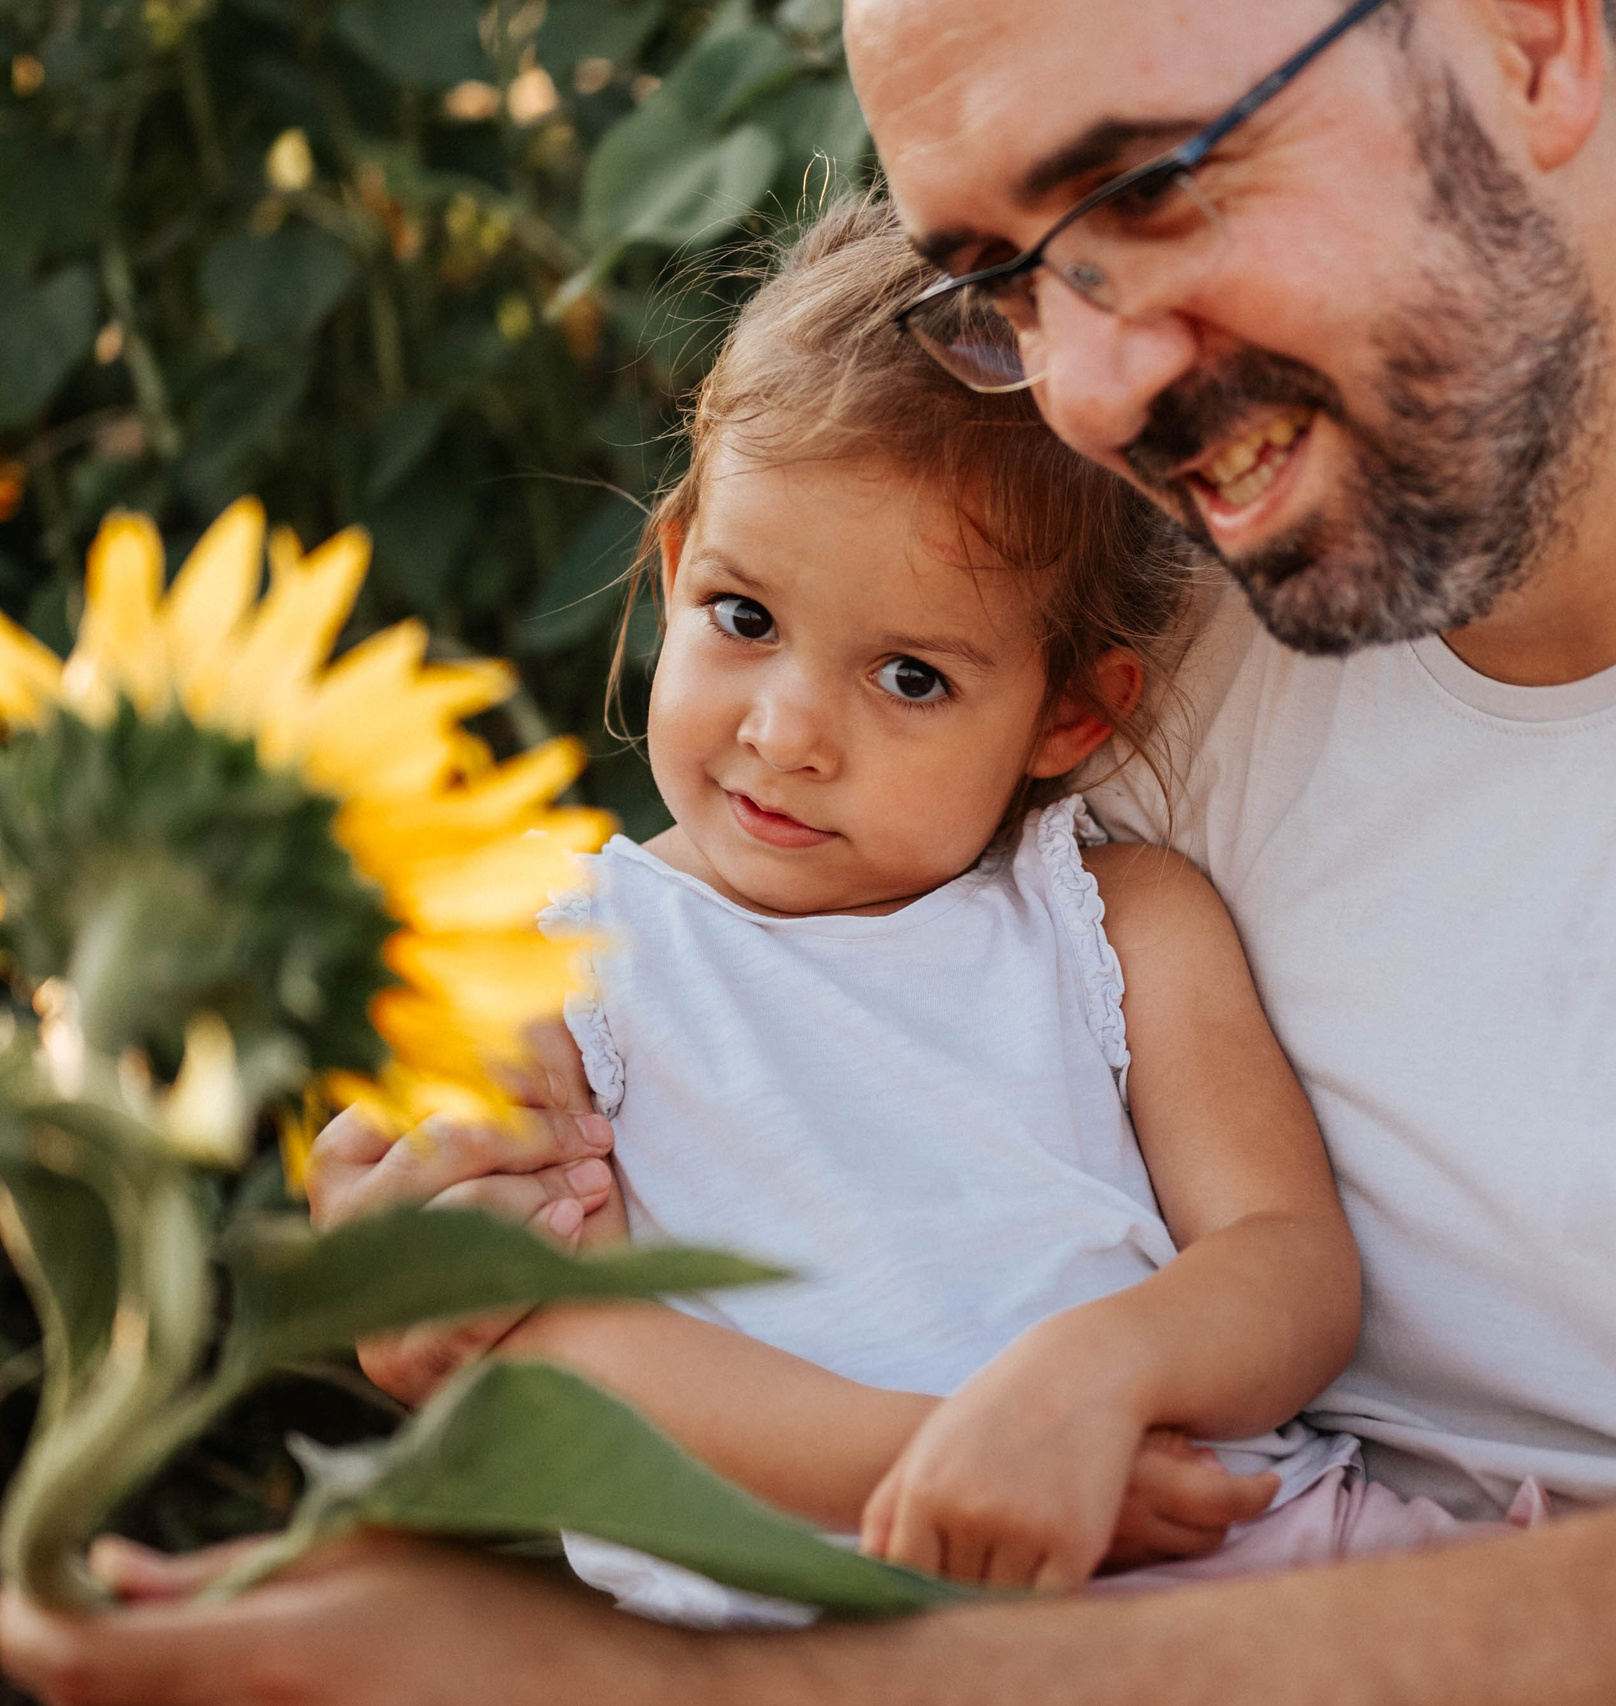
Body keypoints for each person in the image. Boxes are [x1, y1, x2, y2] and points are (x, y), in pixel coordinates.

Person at [0, 0, 1616, 1702]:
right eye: (994, 278)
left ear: (1525, 32)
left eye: (1149, 183)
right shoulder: (1185, 600)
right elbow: (819, 1080)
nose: (1083, 380)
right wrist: (471, 1248)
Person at [390, 195, 1537, 1613]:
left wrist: (1089, 1386)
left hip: (1229, 1553)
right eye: (745, 618)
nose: (789, 732)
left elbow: (1288, 1264)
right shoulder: (558, 963)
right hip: (846, 1625)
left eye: (911, 677)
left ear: (1068, 714)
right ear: (678, 568)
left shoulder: (1114, 919)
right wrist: (956, 1463)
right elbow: (578, 1349)